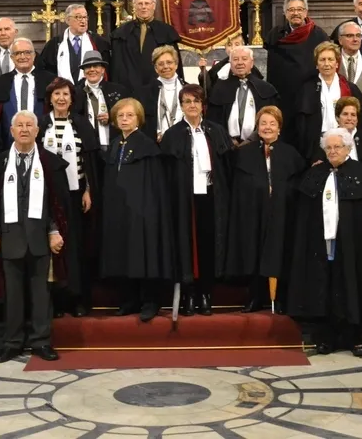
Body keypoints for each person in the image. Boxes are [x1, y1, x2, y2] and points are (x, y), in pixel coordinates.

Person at [287, 128, 362, 357]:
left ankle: (360, 337)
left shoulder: (361, 173)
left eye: (338, 147)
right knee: (325, 287)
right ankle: (327, 337)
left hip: (354, 246)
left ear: (348, 149)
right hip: (322, 246)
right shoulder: (315, 174)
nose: (333, 151)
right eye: (329, 147)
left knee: (354, 286)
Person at [0, 111, 71, 363]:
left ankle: (41, 342)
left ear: (37, 131)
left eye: (29, 125)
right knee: (13, 295)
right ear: (11, 131)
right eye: (19, 125)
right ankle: (12, 342)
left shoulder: (50, 164)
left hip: (40, 239)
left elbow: (56, 204)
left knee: (42, 294)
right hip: (9, 240)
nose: (24, 129)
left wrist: (54, 231)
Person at [221, 106, 305, 313]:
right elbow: (239, 186)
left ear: (279, 128)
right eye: (263, 123)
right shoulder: (244, 154)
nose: (267, 128)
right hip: (253, 213)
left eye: (272, 123)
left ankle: (283, 298)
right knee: (254, 252)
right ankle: (255, 296)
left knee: (282, 252)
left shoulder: (291, 154)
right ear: (257, 127)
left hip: (282, 213)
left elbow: (295, 185)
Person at [99, 98, 175, 321]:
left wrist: (148, 209)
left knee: (144, 251)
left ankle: (150, 301)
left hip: (142, 210)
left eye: (129, 115)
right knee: (124, 253)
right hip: (120, 211)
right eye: (121, 115)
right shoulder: (115, 145)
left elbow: (154, 184)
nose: (124, 119)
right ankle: (129, 299)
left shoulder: (147, 146)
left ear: (139, 119)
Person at [161, 86, 232, 315]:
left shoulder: (216, 131)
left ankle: (205, 293)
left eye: (196, 101)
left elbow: (226, 167)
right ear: (181, 106)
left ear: (203, 105)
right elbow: (167, 172)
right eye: (187, 101)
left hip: (212, 196)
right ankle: (189, 294)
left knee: (208, 244)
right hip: (183, 198)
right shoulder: (172, 134)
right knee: (186, 244)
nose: (192, 105)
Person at [38, 78, 100, 317]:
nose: (61, 99)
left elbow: (90, 163)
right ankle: (56, 300)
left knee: (76, 248)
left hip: (76, 197)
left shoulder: (83, 125)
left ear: (72, 98)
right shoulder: (41, 124)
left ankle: (78, 299)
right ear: (50, 99)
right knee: (52, 248)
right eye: (56, 94)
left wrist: (88, 190)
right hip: (46, 198)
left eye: (65, 94)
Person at [263, 0, 330, 146]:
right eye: (291, 10)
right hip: (283, 95)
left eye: (299, 9)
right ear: (285, 13)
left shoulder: (318, 35)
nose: (296, 13)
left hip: (309, 95)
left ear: (306, 12)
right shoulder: (275, 34)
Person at [0, 38, 57, 148]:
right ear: (12, 57)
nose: (22, 57)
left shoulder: (51, 81)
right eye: (18, 53)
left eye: (27, 52)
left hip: (44, 143)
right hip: (8, 145)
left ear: (34, 55)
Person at [296, 41, 362, 161]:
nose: (326, 64)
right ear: (316, 64)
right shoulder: (306, 89)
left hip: (344, 141)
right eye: (322, 60)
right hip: (318, 145)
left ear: (337, 63)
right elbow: (301, 123)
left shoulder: (349, 88)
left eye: (330, 59)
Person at [109, 0, 183, 95]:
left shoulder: (166, 32)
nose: (143, 7)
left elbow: (175, 65)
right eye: (140, 3)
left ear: (153, 6)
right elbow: (117, 67)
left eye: (147, 3)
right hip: (129, 90)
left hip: (159, 89)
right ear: (134, 6)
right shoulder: (121, 33)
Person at [206, 45, 278, 147]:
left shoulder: (266, 89)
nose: (240, 63)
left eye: (244, 59)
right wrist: (228, 140)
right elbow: (213, 122)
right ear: (230, 64)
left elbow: (273, 120)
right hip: (227, 146)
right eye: (235, 59)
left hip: (257, 145)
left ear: (252, 63)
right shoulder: (219, 89)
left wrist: (251, 140)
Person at [40, 4, 111, 85]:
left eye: (85, 17)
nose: (83, 21)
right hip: (63, 92)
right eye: (78, 17)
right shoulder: (55, 44)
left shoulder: (98, 42)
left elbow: (106, 70)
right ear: (67, 20)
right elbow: (47, 71)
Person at [73, 51, 130, 152]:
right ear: (83, 71)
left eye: (96, 66)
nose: (92, 70)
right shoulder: (75, 93)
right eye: (88, 67)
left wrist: (112, 118)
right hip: (86, 147)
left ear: (103, 70)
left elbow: (130, 116)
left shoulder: (119, 90)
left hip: (115, 145)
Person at [142, 45, 187, 141]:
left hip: (184, 141)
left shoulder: (187, 89)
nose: (166, 66)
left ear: (176, 65)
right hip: (157, 143)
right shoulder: (145, 92)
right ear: (155, 68)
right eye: (161, 64)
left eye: (169, 62)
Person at [198, 33, 263, 93]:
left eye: (237, 44)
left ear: (242, 46)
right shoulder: (219, 67)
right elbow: (209, 90)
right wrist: (203, 71)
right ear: (225, 48)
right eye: (229, 45)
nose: (233, 48)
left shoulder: (250, 67)